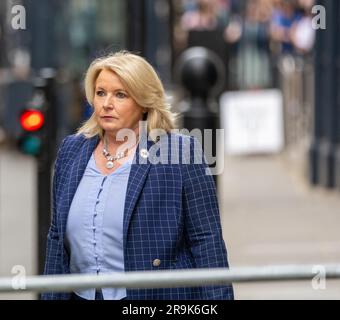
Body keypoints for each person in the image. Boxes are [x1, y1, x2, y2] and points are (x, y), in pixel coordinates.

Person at [41, 51, 234, 300]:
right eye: (101, 93)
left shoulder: (178, 151)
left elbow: (206, 240)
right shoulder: (71, 150)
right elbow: (56, 239)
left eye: (120, 94)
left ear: (144, 101)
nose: (106, 103)